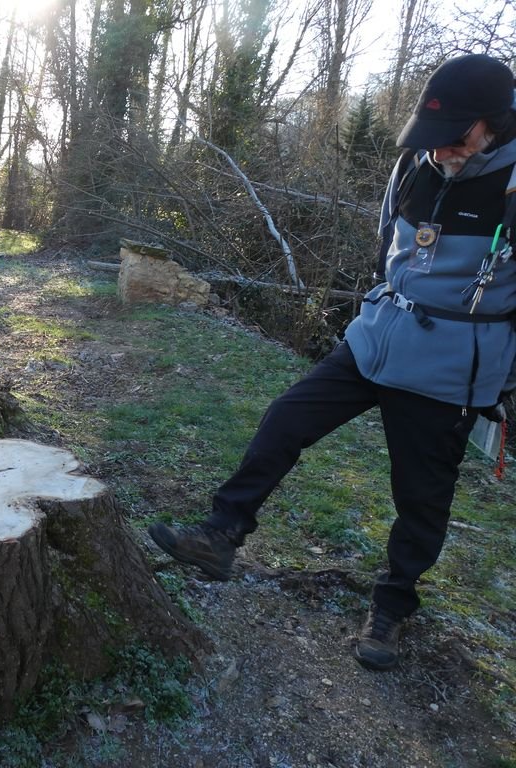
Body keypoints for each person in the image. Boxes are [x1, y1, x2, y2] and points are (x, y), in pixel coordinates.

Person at [148, 53, 516, 672]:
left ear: (495, 124)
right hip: (375, 341)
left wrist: (498, 382)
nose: (440, 149)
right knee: (286, 419)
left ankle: (391, 609)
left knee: (422, 497)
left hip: (449, 370)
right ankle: (220, 534)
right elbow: (387, 248)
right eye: (433, 135)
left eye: (455, 135)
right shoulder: (414, 165)